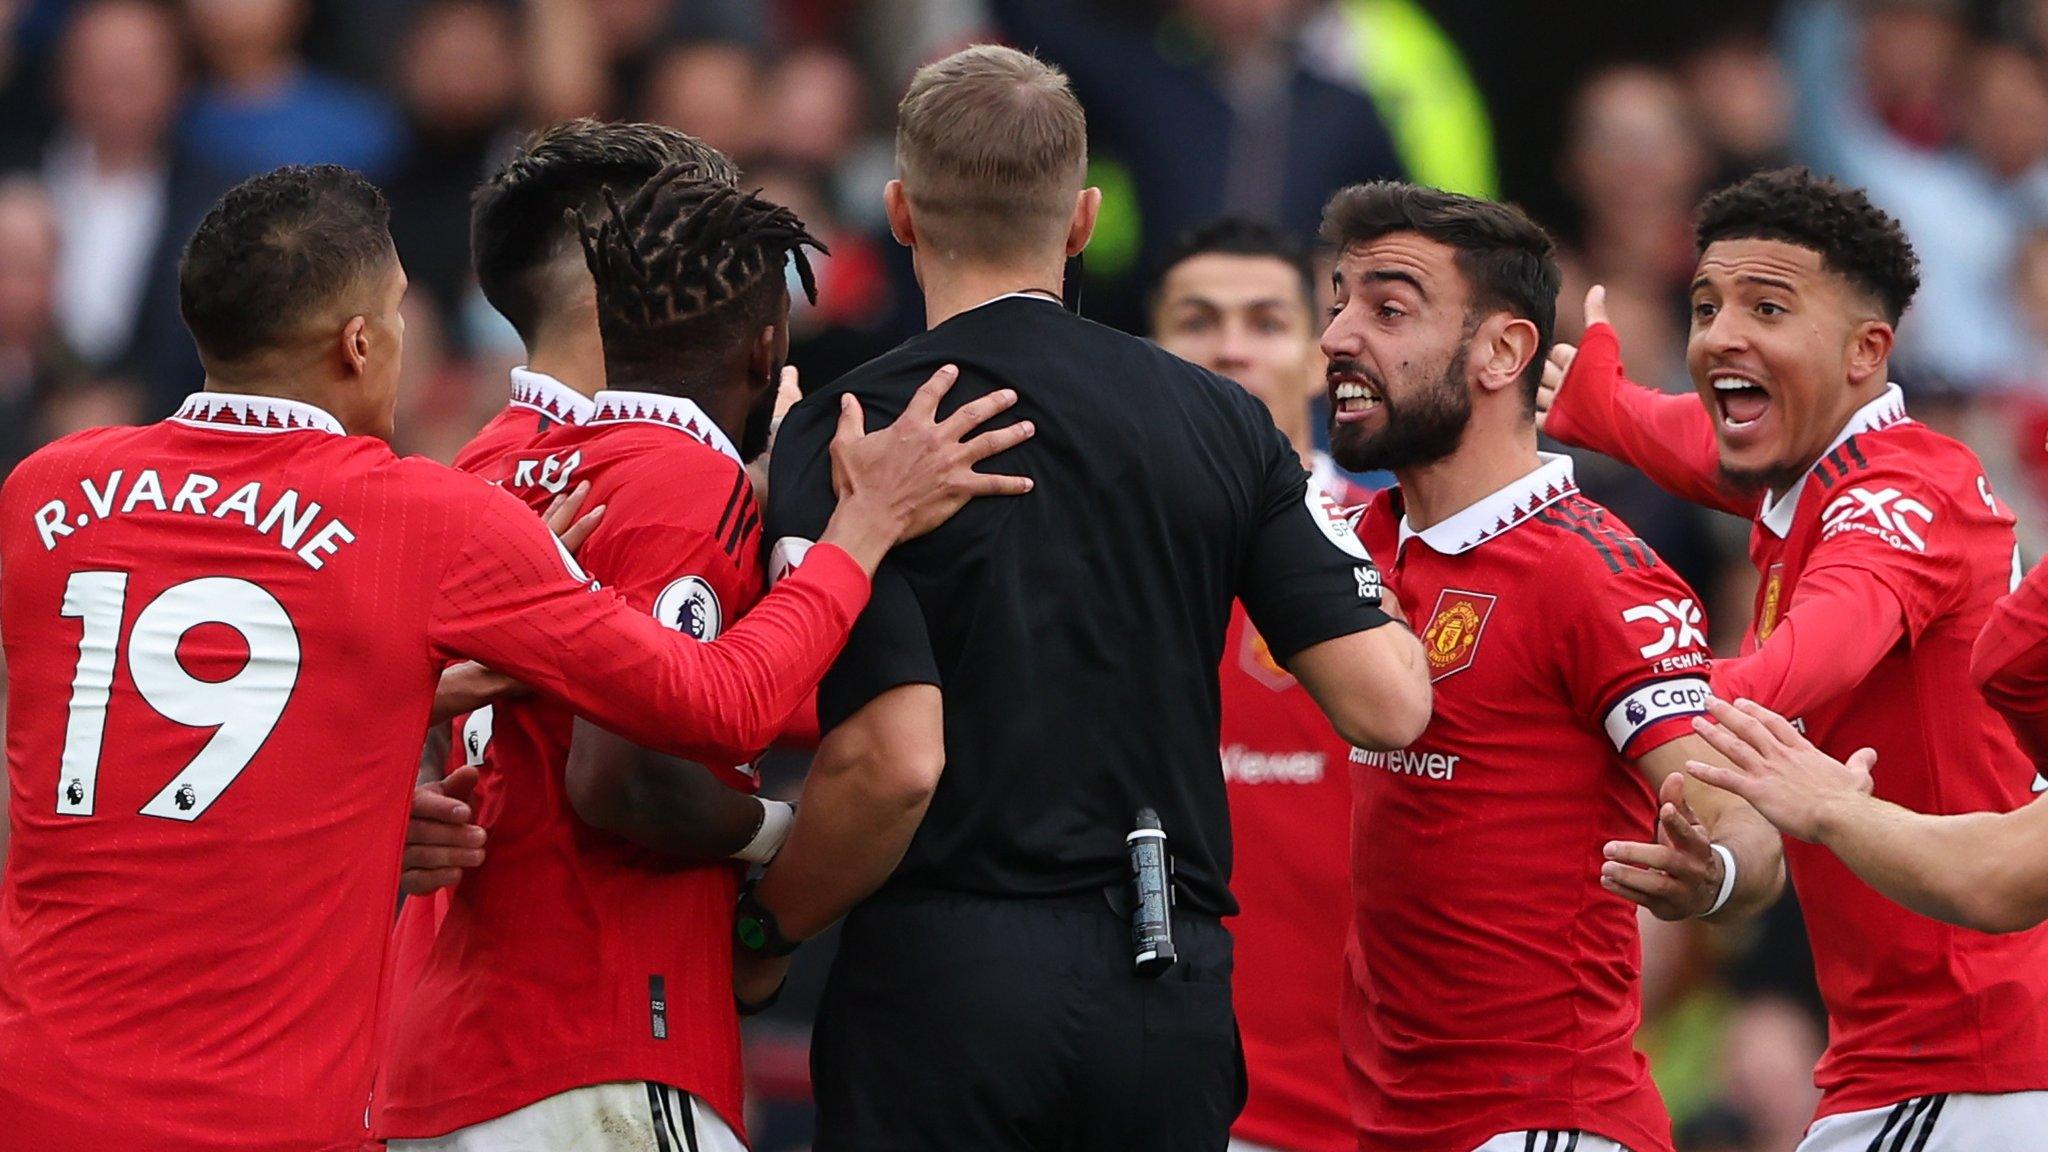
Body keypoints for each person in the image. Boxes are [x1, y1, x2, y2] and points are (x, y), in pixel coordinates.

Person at [0, 163, 1025, 1152]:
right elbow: (716, 701)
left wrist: (345, 766)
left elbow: (142, 710)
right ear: (359, 342)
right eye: (400, 314)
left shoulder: (44, 493)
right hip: (266, 1112)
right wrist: (859, 532)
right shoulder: (419, 516)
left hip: (37, 1093)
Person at [752, 45, 1432, 1152]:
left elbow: (892, 763)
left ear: (900, 212)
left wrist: (765, 929)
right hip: (1161, 989)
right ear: (1080, 220)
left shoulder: (846, 428)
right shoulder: (1225, 425)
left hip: (943, 982)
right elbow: (1388, 704)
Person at [381, 171, 922, 1152]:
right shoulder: (678, 479)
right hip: (603, 1039)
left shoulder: (473, 471)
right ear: (766, 346)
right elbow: (628, 769)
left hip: (439, 1049)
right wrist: (787, 839)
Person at [1540, 165, 2048, 1151]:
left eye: (1766, 307)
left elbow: (1803, 660)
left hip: (1967, 1071)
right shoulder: (1809, 476)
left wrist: (1581, 711)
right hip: (1929, 1064)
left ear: (1865, 352)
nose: (1721, 334)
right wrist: (1601, 410)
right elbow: (1696, 442)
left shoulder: (1894, 500)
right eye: (1704, 304)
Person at [1323, 181, 1782, 1152]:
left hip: (1543, 1126)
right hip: (1380, 1127)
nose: (1337, 337)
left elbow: (1743, 828)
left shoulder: (1590, 574)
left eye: (1387, 307)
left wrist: (1712, 873)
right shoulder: (1343, 543)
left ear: (1501, 352)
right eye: (1337, 303)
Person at [1148, 216, 1365, 1152]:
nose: (1232, 344)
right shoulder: (1098, 561)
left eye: (1267, 321)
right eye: (1198, 320)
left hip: (1380, 1103)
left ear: (1323, 360)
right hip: (1147, 1092)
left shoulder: (1398, 557)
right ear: (1149, 352)